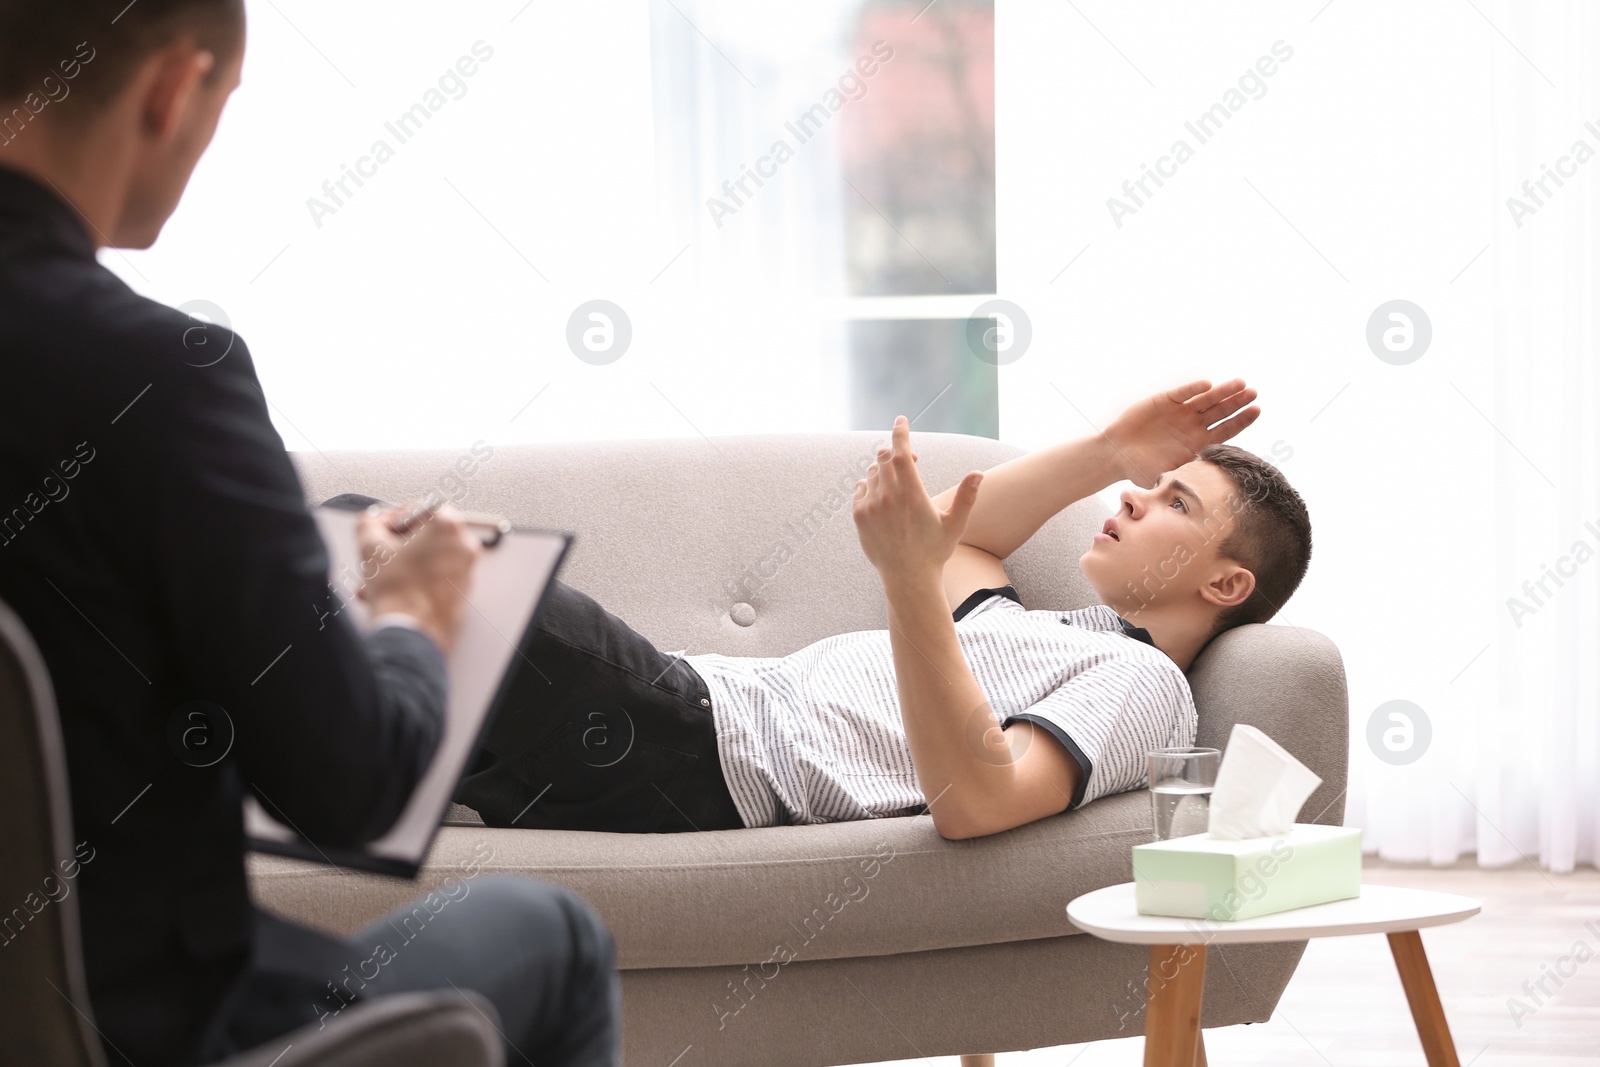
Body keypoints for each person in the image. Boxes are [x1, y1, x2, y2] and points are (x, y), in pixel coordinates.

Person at [0, 2, 616, 1065]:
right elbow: (350, 782)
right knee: (553, 934)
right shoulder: (158, 378)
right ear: (171, 91)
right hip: (145, 1020)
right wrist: (410, 612)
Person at [457, 381, 1312, 839]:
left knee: (435, 566)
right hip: (680, 716)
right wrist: (1107, 450)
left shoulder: (1141, 682)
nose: (1132, 500)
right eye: (1149, 485)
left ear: (1227, 584)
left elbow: (980, 802)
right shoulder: (1036, 630)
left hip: (701, 751)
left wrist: (909, 579)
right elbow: (958, 534)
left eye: (1176, 505)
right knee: (351, 694)